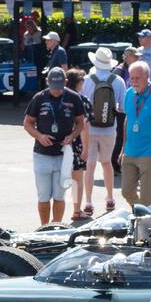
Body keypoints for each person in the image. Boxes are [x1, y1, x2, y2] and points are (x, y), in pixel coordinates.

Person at [23, 66, 87, 225]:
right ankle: (44, 227)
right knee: (43, 195)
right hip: (41, 154)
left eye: (59, 87)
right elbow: (27, 123)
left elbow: (81, 123)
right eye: (53, 87)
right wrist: (39, 136)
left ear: (65, 82)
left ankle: (56, 225)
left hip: (63, 155)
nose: (56, 91)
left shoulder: (74, 98)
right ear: (47, 82)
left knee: (60, 194)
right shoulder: (39, 98)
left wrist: (72, 136)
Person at [119, 61, 151, 209]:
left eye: (138, 78)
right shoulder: (129, 93)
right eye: (132, 78)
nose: (134, 81)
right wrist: (123, 149)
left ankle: (146, 225)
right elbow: (127, 122)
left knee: (147, 198)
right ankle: (144, 213)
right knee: (126, 191)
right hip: (130, 152)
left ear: (147, 76)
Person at [80, 45, 124, 211]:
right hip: (109, 128)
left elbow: (82, 106)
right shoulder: (118, 81)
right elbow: (122, 107)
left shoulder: (87, 80)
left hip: (90, 128)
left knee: (90, 165)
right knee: (106, 163)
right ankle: (110, 198)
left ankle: (89, 202)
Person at [64, 68, 89, 218]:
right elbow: (85, 127)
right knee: (77, 178)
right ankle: (76, 210)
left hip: (61, 142)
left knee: (60, 177)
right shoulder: (83, 100)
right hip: (77, 142)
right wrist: (86, 148)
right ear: (79, 83)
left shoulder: (61, 97)